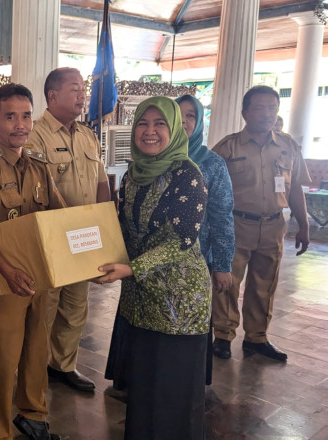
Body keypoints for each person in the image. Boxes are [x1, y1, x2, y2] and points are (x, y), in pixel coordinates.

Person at [98, 97, 210, 439]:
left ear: (174, 129)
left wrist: (130, 268)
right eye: (143, 123)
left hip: (179, 303)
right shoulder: (133, 175)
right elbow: (123, 229)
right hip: (140, 301)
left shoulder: (188, 174)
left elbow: (181, 241)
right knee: (144, 390)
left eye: (160, 123)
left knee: (172, 395)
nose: (149, 131)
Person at [0, 83, 66, 440]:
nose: (20, 125)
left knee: (36, 353)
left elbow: (59, 215)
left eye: (25, 116)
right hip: (1, 284)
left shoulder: (38, 165)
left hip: (38, 280)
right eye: (10, 117)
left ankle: (34, 416)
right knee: (1, 363)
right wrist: (7, 270)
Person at [211, 85, 311, 362]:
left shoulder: (288, 147)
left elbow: (295, 188)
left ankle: (257, 337)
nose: (267, 114)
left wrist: (303, 225)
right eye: (259, 107)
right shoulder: (228, 147)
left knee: (265, 283)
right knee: (227, 283)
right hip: (236, 225)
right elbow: (211, 189)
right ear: (245, 113)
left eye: (272, 108)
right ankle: (223, 335)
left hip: (273, 226)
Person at [27, 67, 110, 392]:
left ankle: (62, 365)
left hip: (85, 237)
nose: (82, 95)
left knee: (76, 307)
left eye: (83, 89)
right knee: (44, 310)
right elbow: (34, 190)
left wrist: (104, 228)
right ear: (53, 95)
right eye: (75, 89)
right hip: (52, 239)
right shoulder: (36, 135)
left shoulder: (88, 135)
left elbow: (101, 183)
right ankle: (33, 370)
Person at [175, 95, 235, 381]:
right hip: (155, 261)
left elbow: (223, 216)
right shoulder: (155, 157)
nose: (184, 122)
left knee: (190, 321)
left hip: (197, 259)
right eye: (178, 115)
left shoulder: (212, 164)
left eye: (191, 116)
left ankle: (187, 384)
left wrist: (222, 264)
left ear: (199, 122)